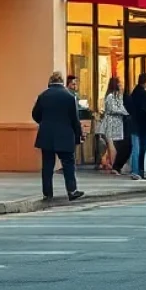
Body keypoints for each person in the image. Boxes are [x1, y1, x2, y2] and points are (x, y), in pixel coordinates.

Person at [32, 71, 85, 202]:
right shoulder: (69, 97)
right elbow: (74, 119)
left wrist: (44, 122)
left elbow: (35, 114)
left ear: (50, 82)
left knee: (48, 164)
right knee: (68, 163)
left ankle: (47, 193)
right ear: (62, 82)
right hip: (65, 135)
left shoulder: (43, 96)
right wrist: (78, 135)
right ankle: (72, 190)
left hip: (47, 135)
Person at [127, 72, 146, 181]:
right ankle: (136, 171)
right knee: (138, 148)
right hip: (141, 124)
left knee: (137, 148)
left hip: (136, 123)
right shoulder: (143, 94)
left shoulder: (134, 92)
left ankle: (138, 170)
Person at [99, 77, 127, 173]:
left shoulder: (118, 95)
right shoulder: (111, 96)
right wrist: (125, 112)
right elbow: (112, 109)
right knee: (111, 144)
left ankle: (111, 163)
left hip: (117, 122)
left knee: (114, 144)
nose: (121, 85)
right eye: (120, 83)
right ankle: (113, 164)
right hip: (111, 122)